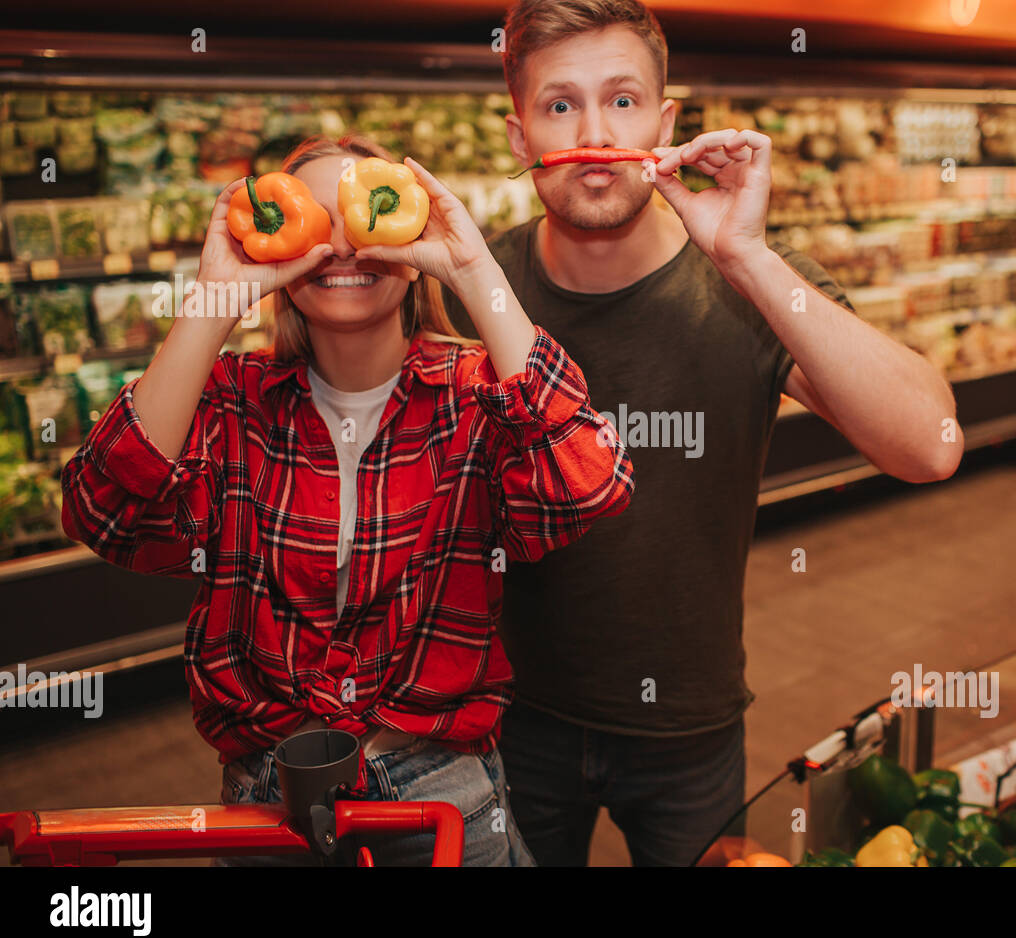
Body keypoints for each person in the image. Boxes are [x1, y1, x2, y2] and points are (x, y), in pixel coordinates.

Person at [439, 0, 965, 866]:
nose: (596, 132)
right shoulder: (470, 288)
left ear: (666, 122)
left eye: (623, 99)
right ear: (518, 136)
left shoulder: (746, 279)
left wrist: (748, 258)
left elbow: (932, 443)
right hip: (503, 720)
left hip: (691, 727)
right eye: (560, 105)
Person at [59, 134, 634, 866]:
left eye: (364, 216)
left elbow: (590, 483)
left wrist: (472, 267)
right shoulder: (234, 402)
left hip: (444, 791)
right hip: (268, 800)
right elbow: (101, 511)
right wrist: (212, 304)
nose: (339, 246)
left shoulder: (474, 396)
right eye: (312, 222)